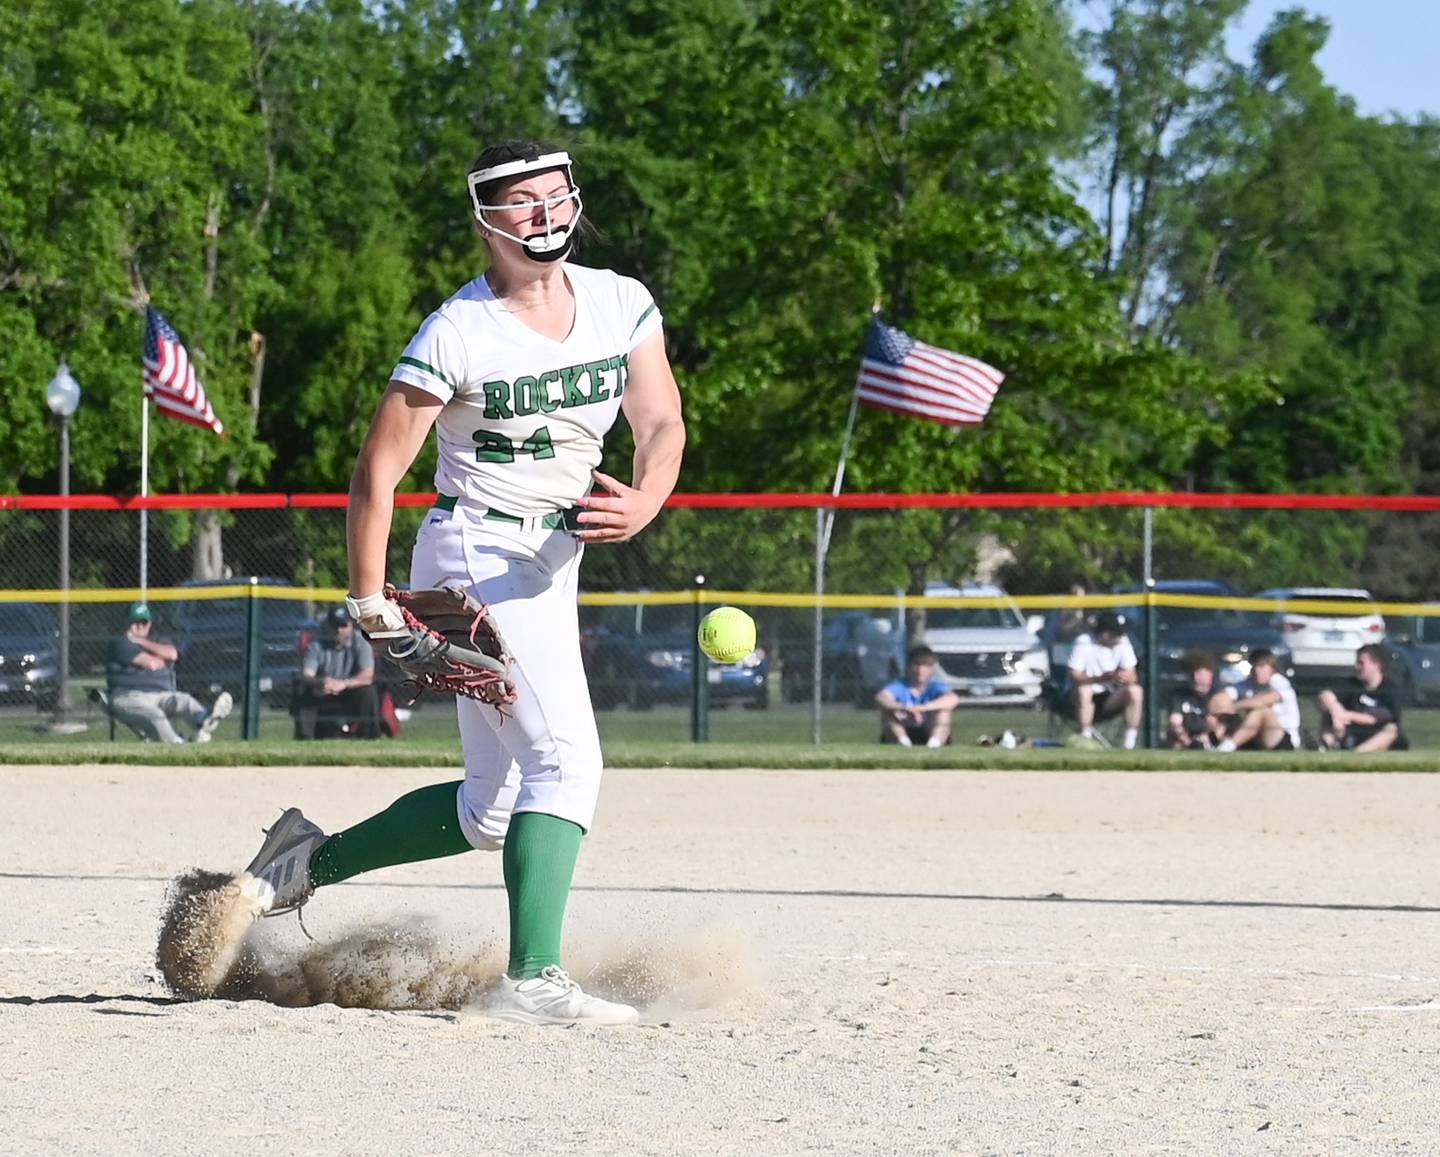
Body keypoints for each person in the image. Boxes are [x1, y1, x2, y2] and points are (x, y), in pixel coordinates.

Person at [234, 140, 684, 1025]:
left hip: (551, 566)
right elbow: (378, 468)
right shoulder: (460, 330)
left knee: (494, 808)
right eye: (522, 201)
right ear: (486, 219)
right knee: (565, 760)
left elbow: (660, 416)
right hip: (475, 557)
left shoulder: (620, 301)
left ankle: (300, 864)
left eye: (557, 195)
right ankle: (532, 980)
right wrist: (369, 600)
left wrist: (647, 500)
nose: (545, 213)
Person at [102, 601, 232, 744]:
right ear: (126, 623)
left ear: (149, 624)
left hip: (161, 695)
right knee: (155, 716)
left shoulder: (157, 639)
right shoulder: (119, 642)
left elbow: (172, 654)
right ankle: (176, 744)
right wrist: (158, 656)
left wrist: (141, 642)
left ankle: (204, 720)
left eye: (143, 622)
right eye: (134, 622)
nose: (139, 626)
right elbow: (152, 664)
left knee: (184, 700)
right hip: (129, 697)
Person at [292, 607, 379, 739]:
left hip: (351, 690)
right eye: (335, 625)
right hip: (324, 690)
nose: (338, 630)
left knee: (368, 692)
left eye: (343, 626)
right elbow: (307, 674)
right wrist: (322, 682)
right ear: (328, 625)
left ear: (351, 626)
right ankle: (305, 738)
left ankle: (370, 738)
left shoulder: (361, 642)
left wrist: (344, 684)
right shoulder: (316, 644)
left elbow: (367, 675)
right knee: (302, 689)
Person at [1067, 609, 1143, 749]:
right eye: (1117, 634)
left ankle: (1129, 745)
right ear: (1105, 634)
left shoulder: (1123, 642)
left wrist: (1125, 677)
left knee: (1136, 691)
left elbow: (1133, 675)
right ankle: (1085, 738)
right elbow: (1075, 675)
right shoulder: (1084, 642)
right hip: (1079, 699)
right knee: (1085, 690)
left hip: (1110, 698)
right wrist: (1101, 678)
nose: (1121, 636)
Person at [1316, 644, 1409, 752]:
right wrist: (1335, 710)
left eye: (1361, 663)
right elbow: (1325, 695)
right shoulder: (1351, 684)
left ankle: (1357, 755)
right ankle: (1324, 745)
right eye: (1356, 662)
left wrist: (1344, 715)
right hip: (1349, 732)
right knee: (1328, 715)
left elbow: (1375, 718)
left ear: (1377, 664)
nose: (1356, 667)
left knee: (1392, 729)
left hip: (1377, 735)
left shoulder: (1390, 689)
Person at [1212, 648, 1300, 751]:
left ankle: (1228, 746)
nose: (1257, 671)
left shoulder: (1279, 682)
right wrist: (1220, 711)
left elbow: (1261, 701)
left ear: (1272, 669)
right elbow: (1218, 700)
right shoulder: (1248, 683)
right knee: (1222, 716)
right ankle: (1216, 742)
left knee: (1261, 711)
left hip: (1282, 736)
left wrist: (1233, 706)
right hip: (1255, 736)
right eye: (1254, 667)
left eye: (1262, 667)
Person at [875, 645, 961, 747]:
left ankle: (934, 745)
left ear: (932, 669)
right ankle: (903, 744)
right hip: (906, 729)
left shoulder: (936, 685)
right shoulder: (900, 685)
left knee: (944, 712)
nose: (920, 670)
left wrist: (923, 708)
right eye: (916, 665)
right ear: (908, 667)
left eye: (925, 665)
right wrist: (905, 709)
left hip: (929, 729)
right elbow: (881, 698)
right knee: (888, 713)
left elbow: (953, 699)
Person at [1163, 651, 1224, 749]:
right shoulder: (1179, 695)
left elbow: (1221, 724)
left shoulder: (1219, 696)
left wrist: (1206, 737)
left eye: (1199, 673)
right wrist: (1187, 740)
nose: (1195, 677)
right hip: (1185, 738)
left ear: (1210, 674)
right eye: (1191, 673)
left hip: (1211, 738)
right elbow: (1175, 721)